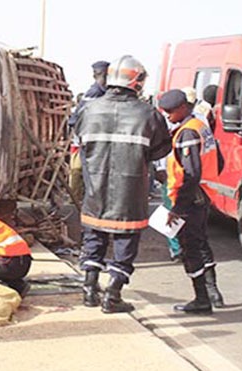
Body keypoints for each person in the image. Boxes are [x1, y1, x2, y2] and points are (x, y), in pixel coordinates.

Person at [74, 55, 172, 313]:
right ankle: (112, 295)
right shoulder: (148, 113)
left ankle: (89, 289)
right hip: (130, 191)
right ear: (137, 81)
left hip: (94, 188)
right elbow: (161, 149)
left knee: (93, 238)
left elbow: (78, 139)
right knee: (124, 243)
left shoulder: (88, 108)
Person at [159, 88, 225, 313]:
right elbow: (219, 159)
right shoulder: (200, 126)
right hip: (203, 195)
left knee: (190, 248)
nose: (167, 116)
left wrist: (178, 207)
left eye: (170, 112)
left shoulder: (187, 133)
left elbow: (190, 174)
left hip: (190, 199)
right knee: (201, 242)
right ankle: (212, 292)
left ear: (182, 108)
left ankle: (202, 298)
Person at [67, 60, 109, 206]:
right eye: (101, 75)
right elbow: (78, 118)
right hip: (88, 141)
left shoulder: (105, 91)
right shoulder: (95, 93)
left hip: (92, 140)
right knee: (83, 171)